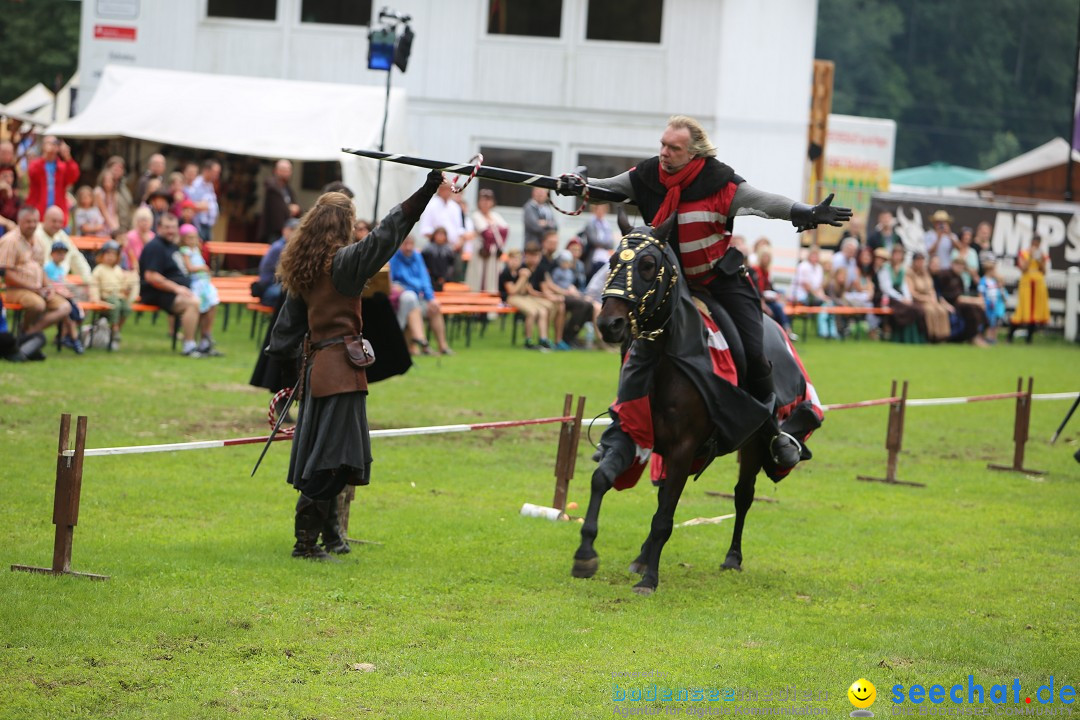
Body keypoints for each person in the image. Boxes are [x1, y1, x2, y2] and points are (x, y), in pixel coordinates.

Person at [559, 114, 850, 474]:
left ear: (693, 154)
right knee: (634, 344)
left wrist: (803, 211)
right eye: (662, 145)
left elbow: (763, 201)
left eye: (673, 148)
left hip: (719, 283)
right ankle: (626, 432)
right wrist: (578, 185)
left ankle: (772, 432)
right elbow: (606, 188)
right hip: (668, 285)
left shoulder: (720, 182)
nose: (664, 153)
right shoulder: (648, 176)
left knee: (753, 351)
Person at [265, 170, 444, 560]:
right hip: (339, 373)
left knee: (329, 455)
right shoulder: (343, 263)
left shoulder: (305, 263)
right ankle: (305, 543)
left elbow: (284, 332)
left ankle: (330, 536)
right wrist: (429, 189)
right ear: (344, 224)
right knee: (331, 461)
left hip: (317, 371)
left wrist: (286, 371)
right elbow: (391, 231)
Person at [138, 213, 206, 357]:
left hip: (174, 291)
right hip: (156, 293)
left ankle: (205, 343)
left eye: (174, 227)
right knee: (192, 303)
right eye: (167, 227)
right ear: (158, 227)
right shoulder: (155, 246)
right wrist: (177, 288)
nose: (171, 231)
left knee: (210, 299)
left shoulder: (172, 246)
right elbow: (151, 276)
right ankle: (189, 346)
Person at [0, 207, 72, 340]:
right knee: (38, 304)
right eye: (28, 221)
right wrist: (32, 287)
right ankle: (26, 334)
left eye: (35, 221)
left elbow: (40, 269)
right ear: (19, 221)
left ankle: (29, 333)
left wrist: (49, 287)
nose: (32, 225)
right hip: (14, 289)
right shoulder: (10, 241)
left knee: (64, 307)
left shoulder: (38, 241)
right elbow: (6, 273)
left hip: (38, 289)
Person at [389, 234, 452, 355]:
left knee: (434, 308)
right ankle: (422, 345)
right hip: (403, 300)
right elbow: (391, 282)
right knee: (413, 306)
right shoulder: (394, 258)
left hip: (418, 296)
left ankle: (443, 346)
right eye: (405, 244)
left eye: (411, 244)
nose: (408, 247)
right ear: (399, 245)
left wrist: (431, 299)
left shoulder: (417, 256)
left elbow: (425, 279)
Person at [178, 223, 222, 354]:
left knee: (212, 304)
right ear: (183, 239)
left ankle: (206, 336)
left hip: (205, 284)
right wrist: (203, 268)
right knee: (199, 309)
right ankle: (194, 340)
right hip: (196, 285)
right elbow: (189, 268)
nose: (193, 240)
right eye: (189, 238)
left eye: (195, 237)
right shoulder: (185, 251)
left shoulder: (197, 250)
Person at [418, 181, 475, 276]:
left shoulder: (455, 207)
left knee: (456, 275)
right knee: (437, 276)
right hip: (435, 251)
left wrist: (458, 243)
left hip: (454, 250)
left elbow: (461, 230)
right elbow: (425, 229)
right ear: (440, 190)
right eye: (447, 190)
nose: (449, 192)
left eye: (450, 190)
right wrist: (440, 239)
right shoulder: (431, 205)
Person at [499, 247, 551, 350]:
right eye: (513, 259)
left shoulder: (521, 271)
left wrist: (525, 279)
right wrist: (523, 278)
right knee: (532, 312)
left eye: (518, 259)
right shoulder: (506, 272)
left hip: (522, 297)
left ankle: (543, 339)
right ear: (508, 259)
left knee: (543, 311)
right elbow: (512, 291)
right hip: (509, 298)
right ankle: (528, 340)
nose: (515, 262)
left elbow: (524, 291)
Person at [89, 239, 136, 348]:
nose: (110, 257)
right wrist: (95, 299)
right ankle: (114, 328)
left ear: (118, 257)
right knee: (116, 304)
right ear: (102, 255)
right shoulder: (99, 269)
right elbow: (94, 285)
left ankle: (117, 328)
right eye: (108, 254)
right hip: (105, 297)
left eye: (113, 254)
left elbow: (122, 285)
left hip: (118, 296)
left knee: (127, 308)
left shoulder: (118, 270)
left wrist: (127, 288)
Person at [42, 241, 86, 353]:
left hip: (64, 297)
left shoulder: (61, 268)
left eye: (63, 254)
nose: (61, 256)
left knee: (76, 316)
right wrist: (63, 292)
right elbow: (50, 283)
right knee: (69, 318)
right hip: (54, 297)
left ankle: (66, 338)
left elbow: (61, 283)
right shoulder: (48, 267)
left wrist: (67, 292)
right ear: (52, 254)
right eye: (58, 253)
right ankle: (74, 341)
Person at [26, 136, 80, 224]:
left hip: (58, 212)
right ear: (43, 146)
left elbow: (73, 176)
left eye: (54, 143)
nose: (52, 146)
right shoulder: (36, 164)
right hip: (38, 212)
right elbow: (32, 173)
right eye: (49, 143)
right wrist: (45, 155)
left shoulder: (62, 166)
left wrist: (67, 155)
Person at [1009, 234, 1050, 343]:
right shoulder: (1024, 253)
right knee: (1023, 308)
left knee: (1035, 310)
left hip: (1038, 284)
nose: (1035, 245)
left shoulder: (1042, 255)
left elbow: (1044, 271)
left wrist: (1039, 259)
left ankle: (1029, 339)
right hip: (1026, 284)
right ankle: (1010, 337)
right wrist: (1031, 257)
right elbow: (1023, 269)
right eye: (1034, 243)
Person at [34, 205, 92, 283]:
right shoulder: (35, 234)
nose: (57, 225)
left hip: (61, 281)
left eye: (60, 222)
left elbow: (76, 258)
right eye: (54, 221)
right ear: (44, 219)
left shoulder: (61, 234)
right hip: (42, 282)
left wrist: (88, 281)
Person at [468, 188, 508, 293]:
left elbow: (505, 231)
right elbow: (486, 234)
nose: (485, 203)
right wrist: (494, 230)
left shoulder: (495, 215)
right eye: (483, 200)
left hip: (493, 254)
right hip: (481, 252)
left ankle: (490, 306)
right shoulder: (476, 215)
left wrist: (492, 229)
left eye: (488, 200)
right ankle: (476, 307)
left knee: (492, 280)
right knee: (478, 278)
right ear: (479, 202)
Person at [907, 251, 952, 342]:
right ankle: (932, 336)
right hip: (918, 300)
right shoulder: (909, 273)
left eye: (922, 260)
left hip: (929, 299)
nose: (920, 263)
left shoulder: (925, 273)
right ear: (914, 261)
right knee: (930, 311)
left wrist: (933, 298)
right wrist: (925, 298)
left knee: (941, 310)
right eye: (918, 260)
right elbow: (912, 293)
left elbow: (931, 288)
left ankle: (943, 335)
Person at [752, 246, 794, 341]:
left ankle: (785, 331)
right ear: (760, 257)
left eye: (768, 257)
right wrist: (763, 304)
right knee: (776, 309)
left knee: (779, 306)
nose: (766, 259)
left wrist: (777, 295)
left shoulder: (766, 272)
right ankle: (785, 332)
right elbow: (756, 290)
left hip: (766, 299)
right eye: (764, 257)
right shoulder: (755, 270)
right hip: (759, 300)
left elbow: (769, 287)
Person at [256, 217, 298, 308]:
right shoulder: (279, 247)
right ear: (284, 230)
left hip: (276, 285)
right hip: (269, 287)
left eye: (297, 230)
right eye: (292, 229)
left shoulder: (287, 247)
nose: (294, 233)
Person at [260, 159, 301, 243]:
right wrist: (289, 209)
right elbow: (278, 210)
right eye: (284, 170)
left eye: (289, 170)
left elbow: (295, 206)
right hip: (275, 233)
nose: (287, 173)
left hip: (287, 232)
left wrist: (296, 209)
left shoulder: (287, 189)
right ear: (277, 171)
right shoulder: (272, 187)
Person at [185, 159, 220, 243]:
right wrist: (202, 206)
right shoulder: (196, 184)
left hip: (208, 225)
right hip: (198, 225)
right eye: (215, 172)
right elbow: (190, 203)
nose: (217, 175)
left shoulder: (210, 185)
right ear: (206, 171)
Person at [978, 253, 1007, 344]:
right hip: (987, 304)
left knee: (995, 322)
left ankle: (993, 338)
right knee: (987, 322)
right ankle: (985, 337)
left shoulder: (995, 281)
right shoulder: (983, 280)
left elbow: (1002, 293)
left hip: (995, 305)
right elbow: (981, 293)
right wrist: (982, 302)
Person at [581, 202, 616, 275]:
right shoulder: (590, 223)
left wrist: (601, 244)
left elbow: (611, 243)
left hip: (605, 257)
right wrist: (605, 243)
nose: (600, 211)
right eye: (598, 209)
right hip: (594, 258)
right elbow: (594, 240)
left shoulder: (607, 224)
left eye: (603, 209)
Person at [421, 226, 456, 292]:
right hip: (429, 276)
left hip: (443, 277)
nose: (440, 237)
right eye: (438, 234)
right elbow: (422, 261)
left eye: (442, 235)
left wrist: (444, 276)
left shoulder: (448, 250)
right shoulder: (427, 248)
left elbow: (451, 265)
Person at [123, 206, 154, 273]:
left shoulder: (153, 236)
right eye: (142, 220)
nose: (144, 223)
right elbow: (128, 255)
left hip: (151, 269)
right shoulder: (130, 236)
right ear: (136, 221)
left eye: (146, 220)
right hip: (132, 269)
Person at [93, 168, 121, 237]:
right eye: (105, 181)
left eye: (110, 181)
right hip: (99, 224)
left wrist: (117, 227)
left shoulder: (114, 194)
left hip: (109, 224)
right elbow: (104, 211)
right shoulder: (98, 192)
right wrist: (114, 228)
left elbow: (114, 213)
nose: (107, 184)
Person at [0, 164, 20, 233]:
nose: (8, 179)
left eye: (11, 176)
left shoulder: (15, 196)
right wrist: (7, 223)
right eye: (5, 176)